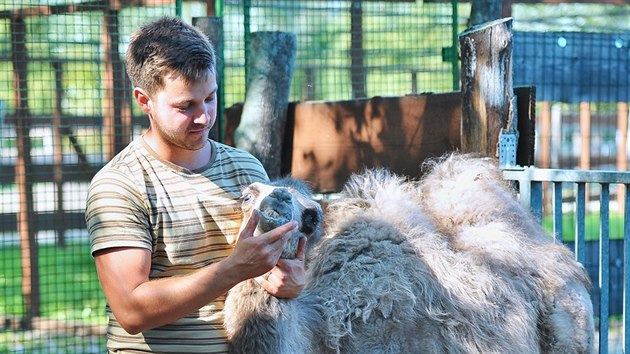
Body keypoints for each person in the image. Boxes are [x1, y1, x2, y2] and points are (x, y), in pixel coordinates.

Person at [85, 16, 306, 353]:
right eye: (186, 106)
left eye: (210, 98)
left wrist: (294, 279)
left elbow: (273, 271)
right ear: (144, 100)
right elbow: (131, 310)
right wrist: (233, 269)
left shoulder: (247, 168)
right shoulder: (120, 184)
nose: (204, 116)